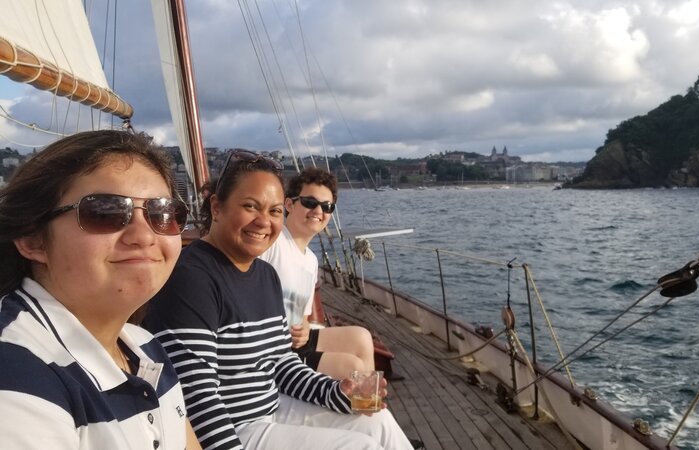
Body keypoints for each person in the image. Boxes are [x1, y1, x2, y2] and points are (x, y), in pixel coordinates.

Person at [142, 150, 413, 450]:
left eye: (273, 211)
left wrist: (336, 392)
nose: (263, 222)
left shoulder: (266, 276)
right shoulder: (192, 277)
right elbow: (195, 396)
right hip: (234, 427)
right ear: (217, 207)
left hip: (273, 409)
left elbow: (281, 363)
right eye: (250, 206)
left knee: (378, 420)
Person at [0, 130, 201, 449]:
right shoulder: (16, 376)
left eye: (162, 213)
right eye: (105, 211)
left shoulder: (144, 347)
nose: (144, 236)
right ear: (32, 239)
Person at [260, 168, 374, 379]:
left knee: (361, 337)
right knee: (351, 366)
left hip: (295, 342)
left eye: (326, 206)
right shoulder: (272, 243)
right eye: (310, 203)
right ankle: (360, 400)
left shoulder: (311, 261)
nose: (318, 211)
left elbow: (302, 317)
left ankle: (366, 401)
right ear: (289, 204)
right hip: (273, 350)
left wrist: (303, 327)